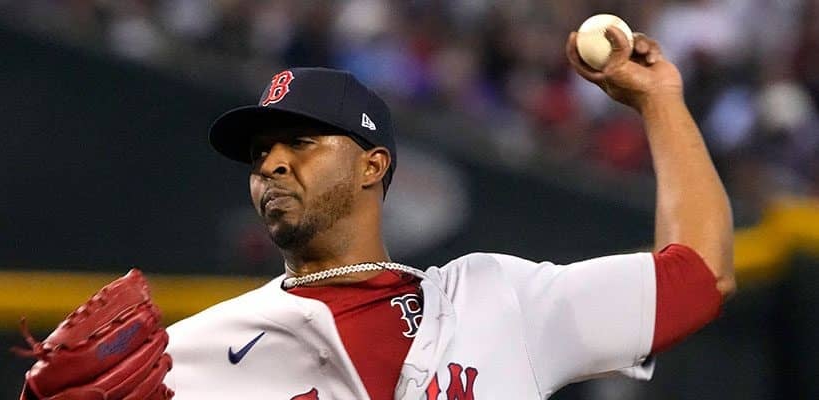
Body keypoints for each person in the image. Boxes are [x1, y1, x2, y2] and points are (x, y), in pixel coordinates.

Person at [164, 27, 735, 399]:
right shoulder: (190, 355)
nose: (271, 165)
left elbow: (702, 274)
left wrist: (659, 101)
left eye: (299, 142)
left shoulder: (498, 300)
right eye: (259, 154)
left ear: (371, 166)